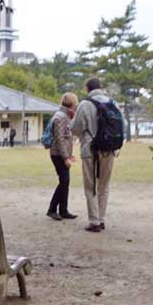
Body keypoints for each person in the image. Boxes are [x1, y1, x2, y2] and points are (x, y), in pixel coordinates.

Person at [71, 77, 117, 233]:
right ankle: (101, 218)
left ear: (87, 88)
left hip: (89, 149)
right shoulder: (112, 103)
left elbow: (75, 128)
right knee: (104, 186)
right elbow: (121, 125)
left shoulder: (84, 104)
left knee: (90, 186)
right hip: (109, 149)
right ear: (101, 87)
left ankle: (94, 221)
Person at [47, 93, 79, 221]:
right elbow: (59, 139)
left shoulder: (65, 116)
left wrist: (69, 155)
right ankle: (52, 209)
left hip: (62, 153)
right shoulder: (60, 117)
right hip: (58, 154)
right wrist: (66, 157)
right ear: (72, 103)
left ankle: (63, 210)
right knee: (64, 181)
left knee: (65, 182)